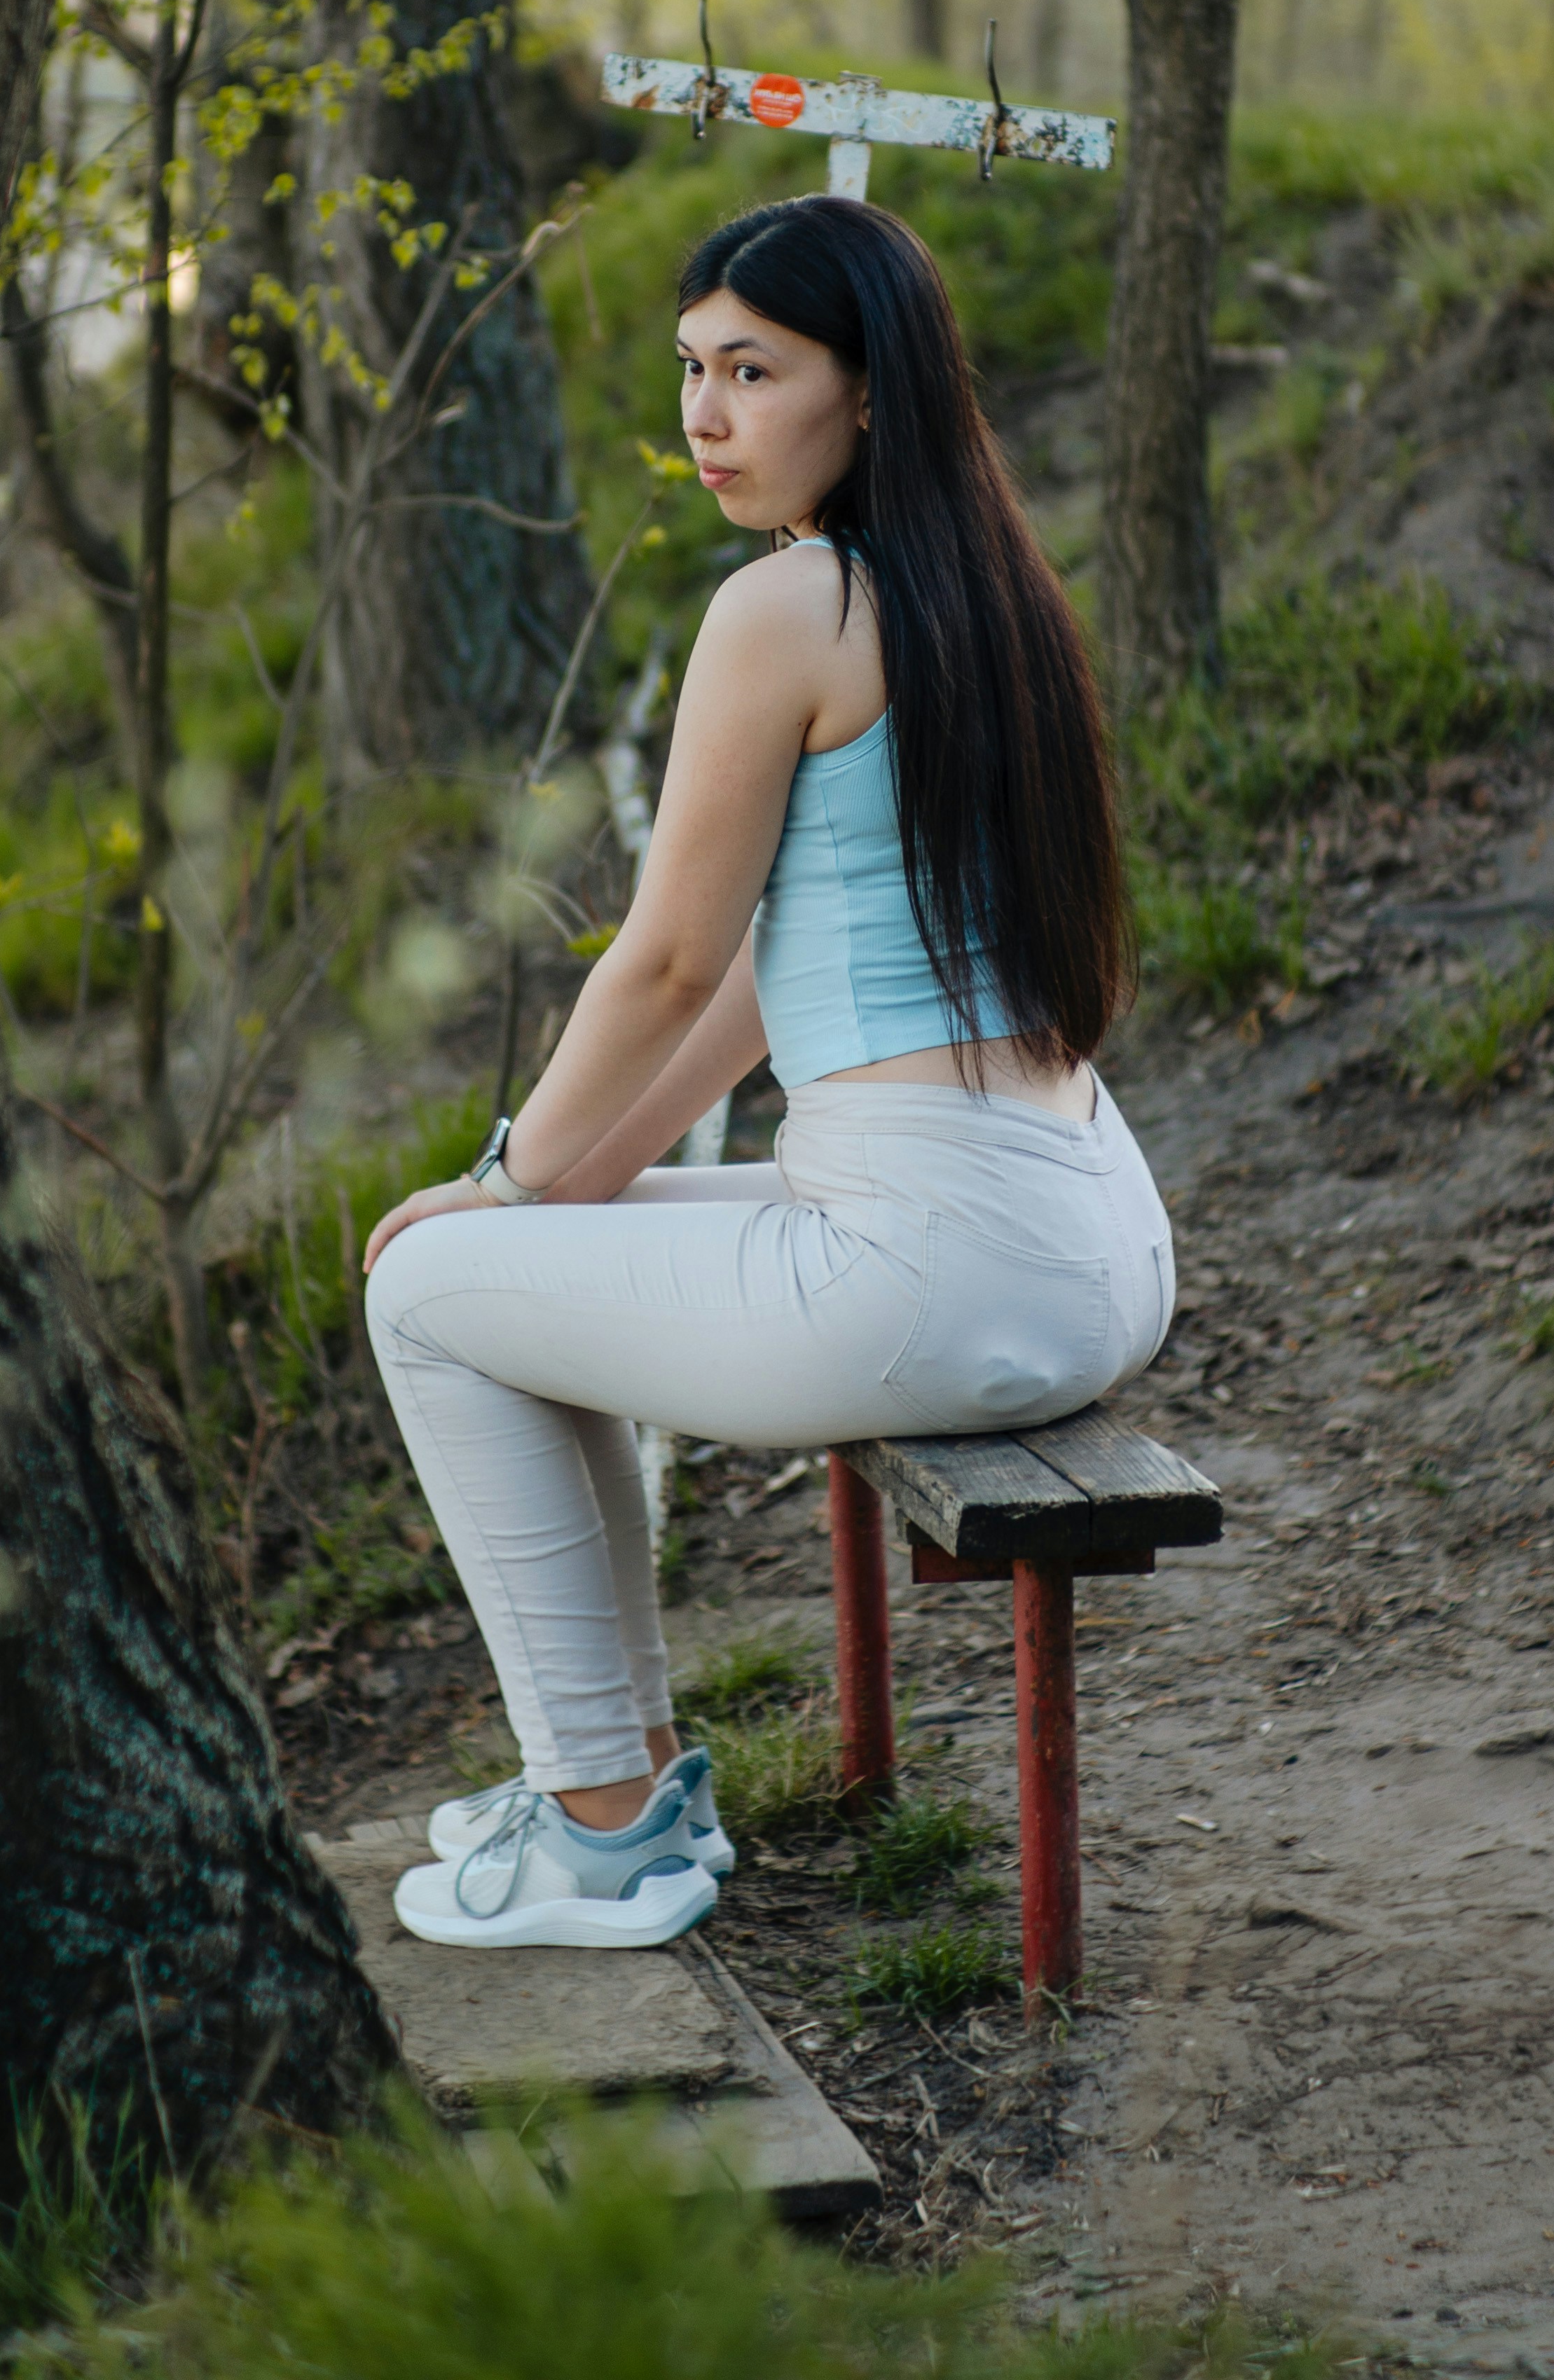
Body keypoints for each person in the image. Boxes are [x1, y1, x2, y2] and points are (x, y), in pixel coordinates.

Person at [364, 195, 1172, 1949]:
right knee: (525, 1257)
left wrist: (501, 1182)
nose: (705, 414)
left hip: (935, 1266)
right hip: (1097, 1245)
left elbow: (662, 957)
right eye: (692, 369)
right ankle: (631, 1776)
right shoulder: (992, 589)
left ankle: (602, 1828)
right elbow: (750, 979)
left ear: (869, 387)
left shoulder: (785, 605)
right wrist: (563, 1186)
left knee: (423, 1293)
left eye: (753, 370)